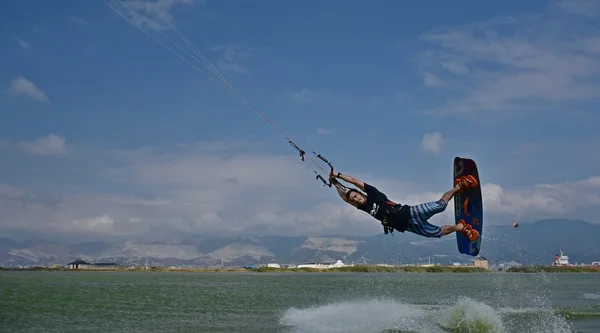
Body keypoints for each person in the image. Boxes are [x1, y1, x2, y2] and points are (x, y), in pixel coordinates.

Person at [328, 171, 480, 240]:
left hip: (410, 212)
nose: (356, 199)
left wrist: (338, 176)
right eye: (353, 200)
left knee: (440, 206)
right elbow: (344, 197)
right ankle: (460, 228)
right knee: (436, 234)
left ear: (359, 193)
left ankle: (459, 187)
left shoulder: (373, 193)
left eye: (356, 196)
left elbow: (354, 181)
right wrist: (334, 183)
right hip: (407, 227)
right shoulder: (363, 207)